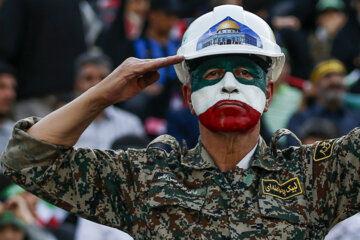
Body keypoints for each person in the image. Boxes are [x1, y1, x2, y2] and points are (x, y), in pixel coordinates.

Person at [1, 5, 360, 239]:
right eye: (214, 72)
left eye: (245, 73)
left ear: (268, 93)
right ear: (188, 96)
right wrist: (103, 93)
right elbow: (27, 159)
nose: (230, 85)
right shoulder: (146, 179)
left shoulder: (313, 174)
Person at [287, 58, 360, 146]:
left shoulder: (356, 119)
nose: (335, 81)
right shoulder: (299, 119)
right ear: (315, 85)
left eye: (340, 75)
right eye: (327, 76)